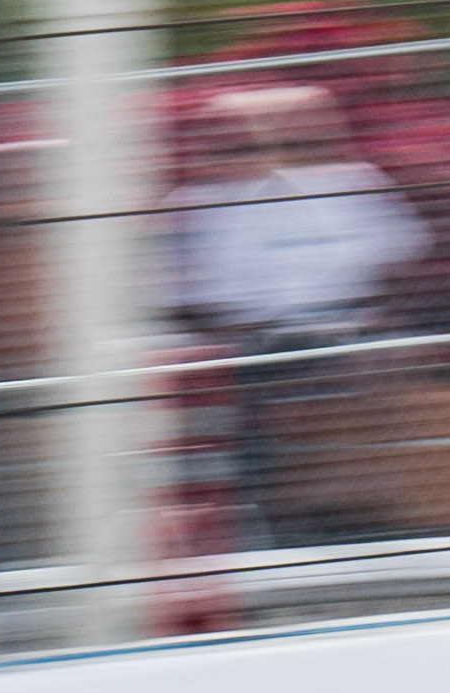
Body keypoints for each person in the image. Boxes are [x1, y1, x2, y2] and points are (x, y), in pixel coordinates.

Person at [163, 86, 431, 542]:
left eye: (296, 142)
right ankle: (265, 523)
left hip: (344, 331)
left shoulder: (353, 185)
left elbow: (398, 256)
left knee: (381, 365)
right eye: (244, 145)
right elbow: (181, 294)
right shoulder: (191, 206)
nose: (274, 157)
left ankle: (365, 517)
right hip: (245, 341)